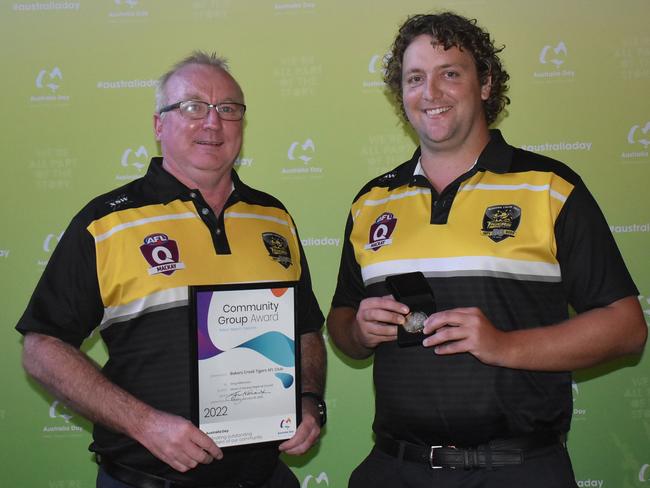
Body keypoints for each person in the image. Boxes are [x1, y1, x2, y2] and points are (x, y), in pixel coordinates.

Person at [327, 12, 646, 488]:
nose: (430, 93)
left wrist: (503, 345)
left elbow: (626, 328)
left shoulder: (549, 187)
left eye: (449, 73)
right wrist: (358, 329)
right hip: (396, 468)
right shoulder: (372, 201)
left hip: (519, 469)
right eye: (415, 78)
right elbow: (341, 322)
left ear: (485, 84)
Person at [17, 51, 327, 488]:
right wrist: (146, 424)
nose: (213, 122)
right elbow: (42, 345)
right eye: (193, 107)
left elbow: (307, 329)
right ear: (159, 125)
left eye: (228, 109)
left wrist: (310, 400)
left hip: (264, 477)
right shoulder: (107, 222)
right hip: (148, 479)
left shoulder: (273, 217)